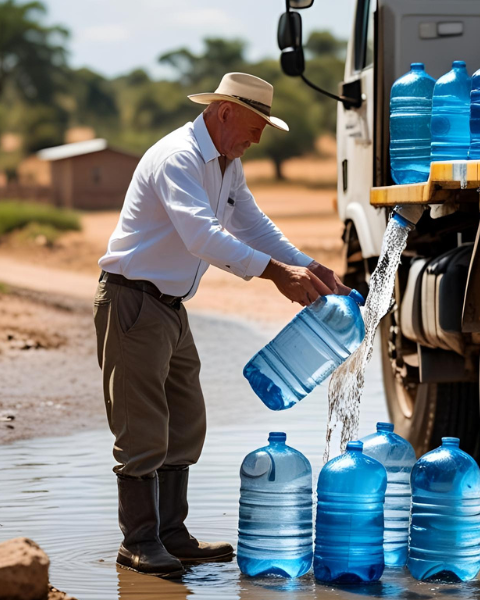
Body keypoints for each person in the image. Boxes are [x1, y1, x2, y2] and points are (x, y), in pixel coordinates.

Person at [93, 72, 348, 577]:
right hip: (134, 302)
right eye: (256, 126)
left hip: (170, 307)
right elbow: (202, 237)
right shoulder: (179, 158)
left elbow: (252, 225)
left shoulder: (227, 165)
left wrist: (307, 266)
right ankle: (139, 541)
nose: (258, 139)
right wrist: (276, 274)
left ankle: (172, 534)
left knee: (186, 421)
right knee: (141, 428)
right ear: (225, 112)